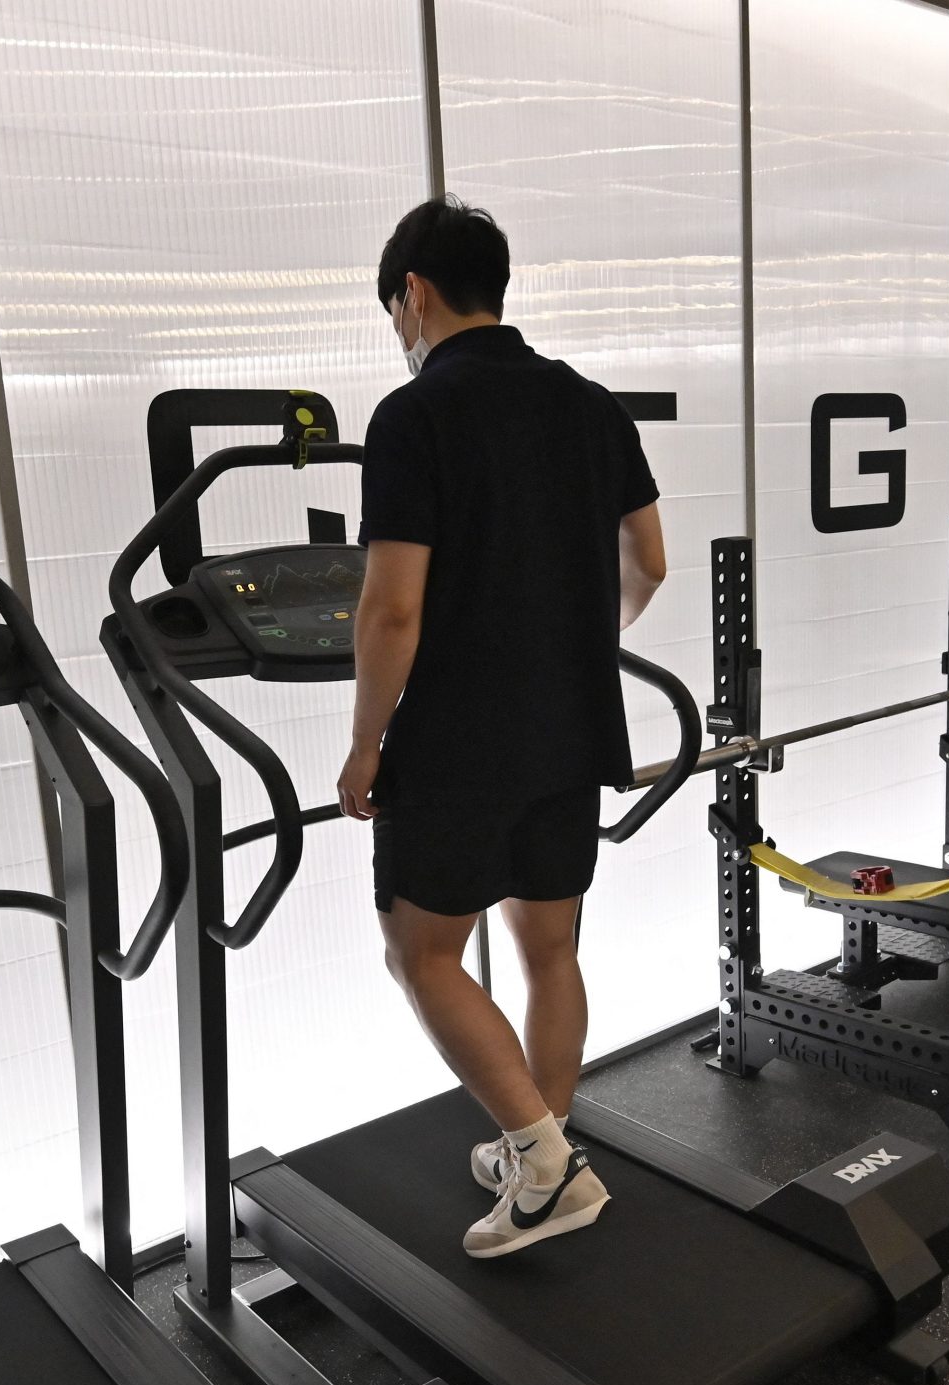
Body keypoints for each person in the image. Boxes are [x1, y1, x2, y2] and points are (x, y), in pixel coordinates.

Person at [335, 197, 667, 1259]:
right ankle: (543, 1148)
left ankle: (545, 1163)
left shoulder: (412, 415)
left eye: (395, 308)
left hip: (458, 738)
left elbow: (391, 606)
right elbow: (648, 561)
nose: (398, 329)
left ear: (416, 293)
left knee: (421, 951)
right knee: (547, 944)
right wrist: (563, 639)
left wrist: (365, 742)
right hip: (572, 724)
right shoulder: (590, 405)